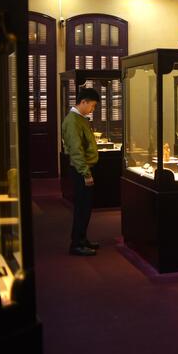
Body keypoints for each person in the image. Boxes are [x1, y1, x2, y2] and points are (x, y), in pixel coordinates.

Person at [62, 87, 101, 256]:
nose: (93, 109)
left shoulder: (80, 118)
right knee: (81, 208)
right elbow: (76, 151)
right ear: (83, 102)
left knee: (86, 207)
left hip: (84, 168)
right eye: (92, 105)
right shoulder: (73, 121)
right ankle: (76, 243)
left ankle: (82, 239)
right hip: (80, 170)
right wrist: (86, 173)